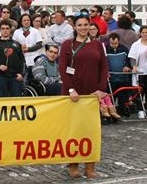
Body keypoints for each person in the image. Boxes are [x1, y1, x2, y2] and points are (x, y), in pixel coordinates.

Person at [58, 13, 108, 179]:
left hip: (91, 95)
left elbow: (103, 68)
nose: (83, 28)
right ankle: (73, 164)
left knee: (91, 130)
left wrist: (101, 89)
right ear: (75, 27)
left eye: (86, 25)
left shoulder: (97, 45)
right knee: (73, 130)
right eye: (79, 25)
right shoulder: (67, 45)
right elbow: (63, 68)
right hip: (73, 95)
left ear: (90, 26)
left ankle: (90, 165)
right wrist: (71, 89)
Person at [0, 20, 25, 97]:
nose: (5, 31)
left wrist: (21, 74)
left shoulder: (17, 44)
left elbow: (22, 61)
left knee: (16, 100)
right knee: (1, 99)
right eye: (3, 28)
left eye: (7, 28)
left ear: (10, 30)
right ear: (0, 30)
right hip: (0, 77)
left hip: (15, 76)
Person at [128, 25, 147, 119]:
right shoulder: (136, 44)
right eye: (143, 32)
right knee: (139, 92)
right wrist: (134, 66)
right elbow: (132, 57)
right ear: (140, 34)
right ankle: (140, 110)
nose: (145, 34)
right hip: (140, 71)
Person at [105, 33, 131, 119]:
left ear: (118, 41)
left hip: (123, 78)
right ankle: (112, 113)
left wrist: (127, 66)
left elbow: (129, 60)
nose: (114, 46)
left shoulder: (124, 49)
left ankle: (123, 111)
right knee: (111, 98)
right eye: (112, 43)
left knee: (123, 98)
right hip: (111, 79)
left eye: (115, 43)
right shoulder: (105, 50)